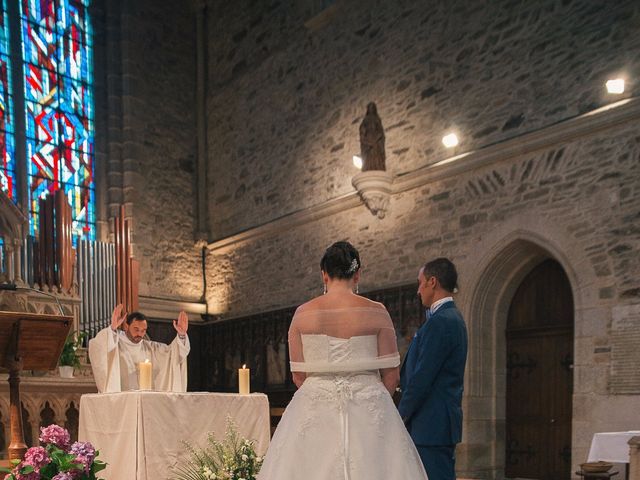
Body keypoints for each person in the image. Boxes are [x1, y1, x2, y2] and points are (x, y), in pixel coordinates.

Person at [258, 241, 428, 480]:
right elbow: (392, 375)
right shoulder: (377, 311)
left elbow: (298, 375)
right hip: (369, 403)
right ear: (357, 274)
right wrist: (372, 403)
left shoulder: (303, 314)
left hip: (315, 404)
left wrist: (322, 394)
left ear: (324, 275)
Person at [398, 258, 468, 480]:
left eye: (420, 283)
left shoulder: (442, 321)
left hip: (432, 425)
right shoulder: (446, 318)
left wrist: (400, 417)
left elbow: (422, 378)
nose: (418, 291)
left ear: (432, 282)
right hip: (432, 424)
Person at [88, 304, 190, 392]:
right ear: (127, 326)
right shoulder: (114, 341)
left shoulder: (150, 348)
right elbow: (97, 346)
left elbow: (173, 354)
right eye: (136, 329)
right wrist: (112, 329)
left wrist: (181, 335)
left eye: (143, 330)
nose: (140, 334)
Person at [359, 102, 386, 171]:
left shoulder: (377, 119)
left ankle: (378, 167)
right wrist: (366, 141)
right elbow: (362, 132)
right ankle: (368, 168)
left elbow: (380, 131)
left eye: (372, 108)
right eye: (370, 108)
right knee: (368, 155)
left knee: (376, 154)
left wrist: (376, 138)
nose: (371, 109)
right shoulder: (365, 120)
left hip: (376, 139)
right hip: (368, 140)